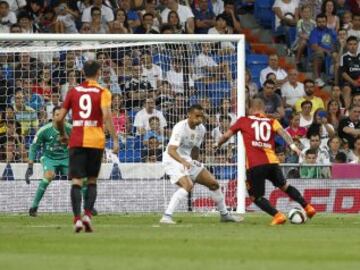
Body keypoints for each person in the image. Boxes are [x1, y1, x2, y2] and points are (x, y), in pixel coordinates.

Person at [215, 98, 316, 225]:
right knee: (285, 186)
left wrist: (217, 144)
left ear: (251, 109)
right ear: (264, 109)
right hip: (272, 162)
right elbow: (284, 133)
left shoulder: (243, 121)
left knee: (255, 197)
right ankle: (308, 207)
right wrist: (293, 147)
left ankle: (278, 215)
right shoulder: (271, 121)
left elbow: (226, 136)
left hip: (255, 165)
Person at [56, 60, 119, 233]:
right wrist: (114, 139)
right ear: (98, 72)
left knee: (76, 181)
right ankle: (88, 216)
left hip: (76, 140)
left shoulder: (73, 91)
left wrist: (63, 135)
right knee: (92, 180)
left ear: (83, 73)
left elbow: (59, 118)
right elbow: (106, 116)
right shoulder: (103, 91)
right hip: (96, 141)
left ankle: (76, 220)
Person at [160, 104, 241, 224]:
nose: (199, 119)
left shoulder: (201, 129)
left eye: (201, 116)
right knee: (187, 185)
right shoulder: (180, 127)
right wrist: (183, 162)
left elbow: (195, 149)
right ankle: (166, 217)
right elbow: (171, 150)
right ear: (189, 115)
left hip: (187, 160)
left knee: (213, 184)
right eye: (197, 116)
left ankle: (224, 215)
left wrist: (194, 164)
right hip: (172, 159)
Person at [26, 107, 72, 217]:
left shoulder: (71, 129)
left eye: (62, 115)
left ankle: (89, 207)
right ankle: (34, 207)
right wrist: (30, 166)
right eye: (57, 115)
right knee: (49, 175)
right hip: (49, 158)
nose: (59, 117)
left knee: (78, 177)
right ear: (52, 116)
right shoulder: (44, 130)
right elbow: (33, 147)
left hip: (66, 158)